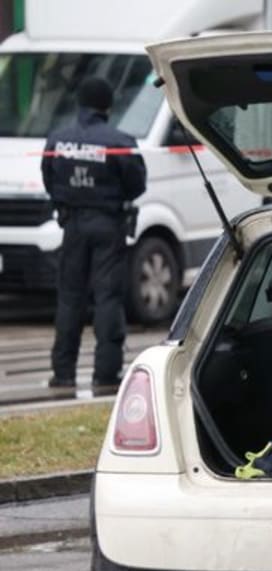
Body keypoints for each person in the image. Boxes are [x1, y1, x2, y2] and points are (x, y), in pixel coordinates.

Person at [42, 76, 147, 396]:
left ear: (80, 104)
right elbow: (137, 184)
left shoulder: (57, 141)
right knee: (108, 299)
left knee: (70, 299)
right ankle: (106, 374)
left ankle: (63, 374)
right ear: (107, 106)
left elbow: (49, 179)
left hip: (72, 225)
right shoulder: (120, 141)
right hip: (108, 225)